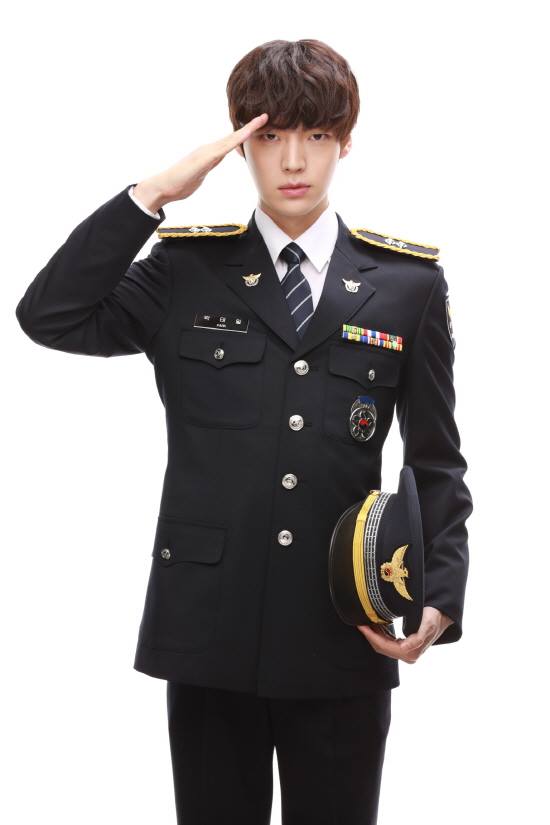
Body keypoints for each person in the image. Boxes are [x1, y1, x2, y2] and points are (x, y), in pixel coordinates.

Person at [15, 38, 473, 825]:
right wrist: (151, 196)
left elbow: (436, 460)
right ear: (239, 145)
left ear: (345, 142)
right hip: (209, 630)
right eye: (270, 136)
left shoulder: (407, 286)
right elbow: (49, 314)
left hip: (344, 628)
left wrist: (437, 594)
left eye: (316, 135)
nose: (293, 159)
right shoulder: (183, 270)